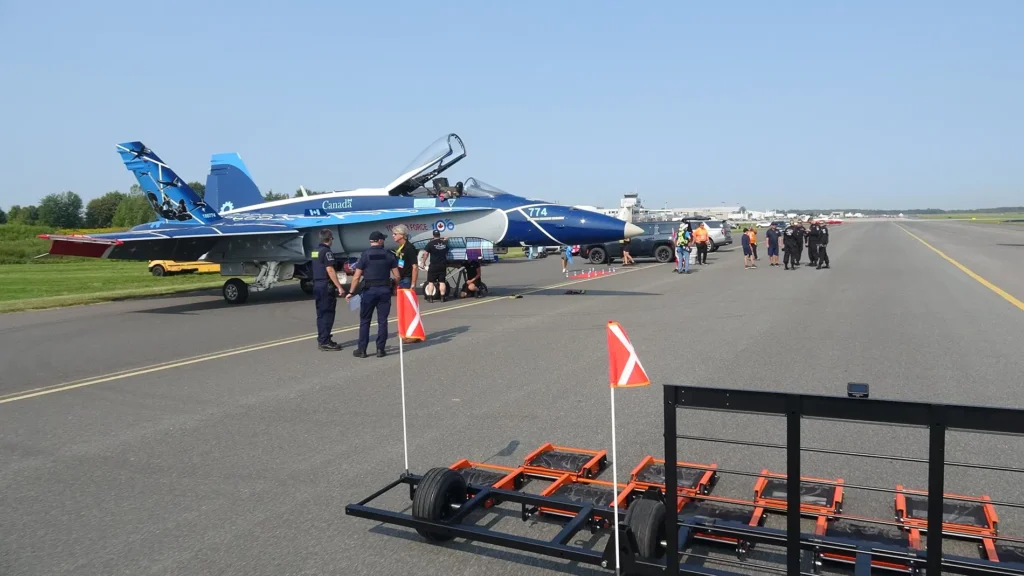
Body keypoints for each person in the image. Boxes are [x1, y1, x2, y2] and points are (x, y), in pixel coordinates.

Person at [346, 231, 401, 358]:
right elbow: (397, 275)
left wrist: (351, 292)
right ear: (380, 241)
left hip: (369, 291)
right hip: (384, 291)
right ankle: (380, 349)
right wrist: (394, 287)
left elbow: (356, 277)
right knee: (382, 321)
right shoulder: (388, 254)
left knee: (365, 321)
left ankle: (362, 350)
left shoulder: (365, 255)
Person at [311, 228, 347, 351]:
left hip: (317, 284)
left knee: (321, 314)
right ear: (330, 238)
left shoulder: (315, 251)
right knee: (327, 313)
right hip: (326, 285)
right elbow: (330, 270)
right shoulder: (327, 252)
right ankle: (325, 341)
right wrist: (339, 287)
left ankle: (323, 337)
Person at [421, 230, 449, 302]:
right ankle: (442, 297)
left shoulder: (430, 244)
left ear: (433, 235)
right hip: (442, 265)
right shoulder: (444, 244)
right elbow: (446, 252)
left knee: (431, 282)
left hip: (433, 265)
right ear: (439, 235)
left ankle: (430, 297)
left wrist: (423, 262)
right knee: (442, 282)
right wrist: (445, 240)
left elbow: (426, 254)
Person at [391, 225, 418, 290]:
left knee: (405, 299)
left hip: (407, 279)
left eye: (395, 234)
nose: (393, 235)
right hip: (401, 278)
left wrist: (413, 283)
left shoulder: (409, 248)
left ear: (401, 235)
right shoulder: (401, 247)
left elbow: (415, 266)